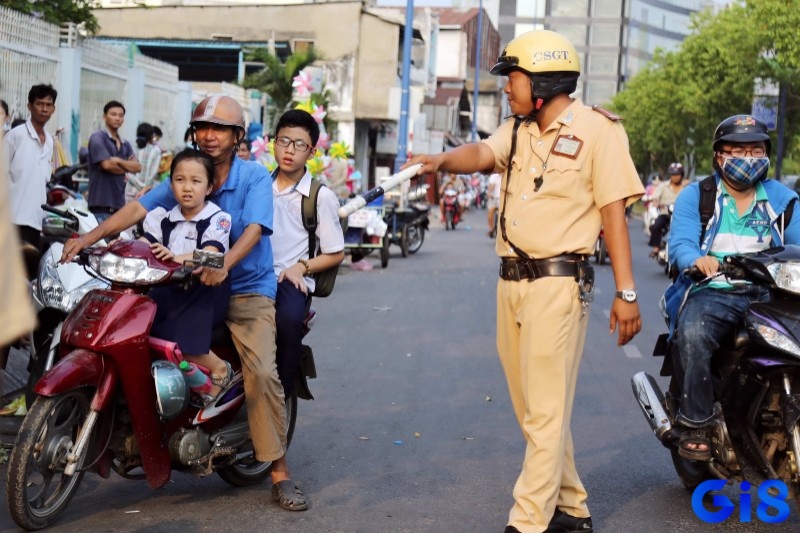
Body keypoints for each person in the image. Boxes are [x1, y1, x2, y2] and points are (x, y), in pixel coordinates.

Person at [405, 29, 643, 533]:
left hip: (558, 284)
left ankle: (528, 521)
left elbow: (614, 214)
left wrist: (627, 293)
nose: (506, 89)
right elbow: (483, 155)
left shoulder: (599, 132)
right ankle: (573, 507)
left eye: (512, 78)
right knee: (536, 408)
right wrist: (442, 160)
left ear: (543, 80)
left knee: (545, 409)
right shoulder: (518, 128)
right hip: (510, 282)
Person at [61, 94, 304, 512]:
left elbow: (255, 230)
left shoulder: (253, 177)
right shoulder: (187, 171)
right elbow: (138, 207)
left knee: (262, 372)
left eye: (220, 130)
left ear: (237, 136)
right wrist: (89, 238)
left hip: (245, 288)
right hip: (185, 283)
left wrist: (224, 263)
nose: (209, 136)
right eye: (203, 129)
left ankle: (280, 471)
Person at [664, 114, 800, 461]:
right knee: (693, 332)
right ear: (719, 156)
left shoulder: (784, 200)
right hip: (715, 290)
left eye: (756, 150)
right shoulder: (697, 196)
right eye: (737, 151)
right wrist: (697, 260)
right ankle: (695, 422)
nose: (747, 158)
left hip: (771, 294)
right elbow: (681, 243)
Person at [140, 148, 233, 404]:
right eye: (180, 180)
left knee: (174, 336)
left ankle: (219, 369)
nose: (187, 187)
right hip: (166, 289)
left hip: (204, 291)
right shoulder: (160, 218)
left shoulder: (218, 219)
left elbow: (213, 255)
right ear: (171, 185)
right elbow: (142, 245)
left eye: (196, 181)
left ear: (209, 186)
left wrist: (174, 256)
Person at [271, 109, 344, 401]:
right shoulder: (258, 186)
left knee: (287, 324)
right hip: (254, 276)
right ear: (272, 143)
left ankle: (280, 400)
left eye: (299, 144)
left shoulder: (320, 197)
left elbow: (335, 252)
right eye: (284, 141)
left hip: (290, 282)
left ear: (311, 152)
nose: (290, 150)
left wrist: (299, 268)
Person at [3, 84, 58, 251]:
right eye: (39, 104)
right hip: (12, 220)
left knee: (30, 273)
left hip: (35, 222)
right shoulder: (16, 136)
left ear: (53, 109)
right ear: (29, 106)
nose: (44, 109)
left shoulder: (49, 141)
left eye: (48, 105)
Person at [86, 100, 141, 222]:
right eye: (113, 114)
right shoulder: (97, 138)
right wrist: (126, 166)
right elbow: (106, 165)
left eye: (121, 115)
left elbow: (138, 167)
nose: (117, 118)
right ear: (104, 116)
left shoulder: (125, 144)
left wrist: (117, 161)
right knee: (101, 241)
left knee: (116, 241)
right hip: (100, 204)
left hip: (119, 206)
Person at [647, 162, 686, 258]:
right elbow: (655, 197)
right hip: (665, 213)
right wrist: (657, 203)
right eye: (673, 174)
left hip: (680, 215)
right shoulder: (663, 186)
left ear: (681, 175)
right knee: (656, 226)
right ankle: (656, 248)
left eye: (677, 174)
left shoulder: (686, 187)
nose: (675, 177)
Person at [125, 122, 161, 203]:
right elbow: (153, 174)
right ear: (152, 136)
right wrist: (143, 187)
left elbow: (126, 172)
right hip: (146, 193)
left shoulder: (131, 148)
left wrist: (138, 184)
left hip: (129, 190)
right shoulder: (156, 151)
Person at [486, 171, 502, 236]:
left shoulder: (509, 175)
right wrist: (490, 193)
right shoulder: (493, 176)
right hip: (494, 198)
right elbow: (491, 186)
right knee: (490, 211)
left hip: (504, 199)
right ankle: (491, 229)